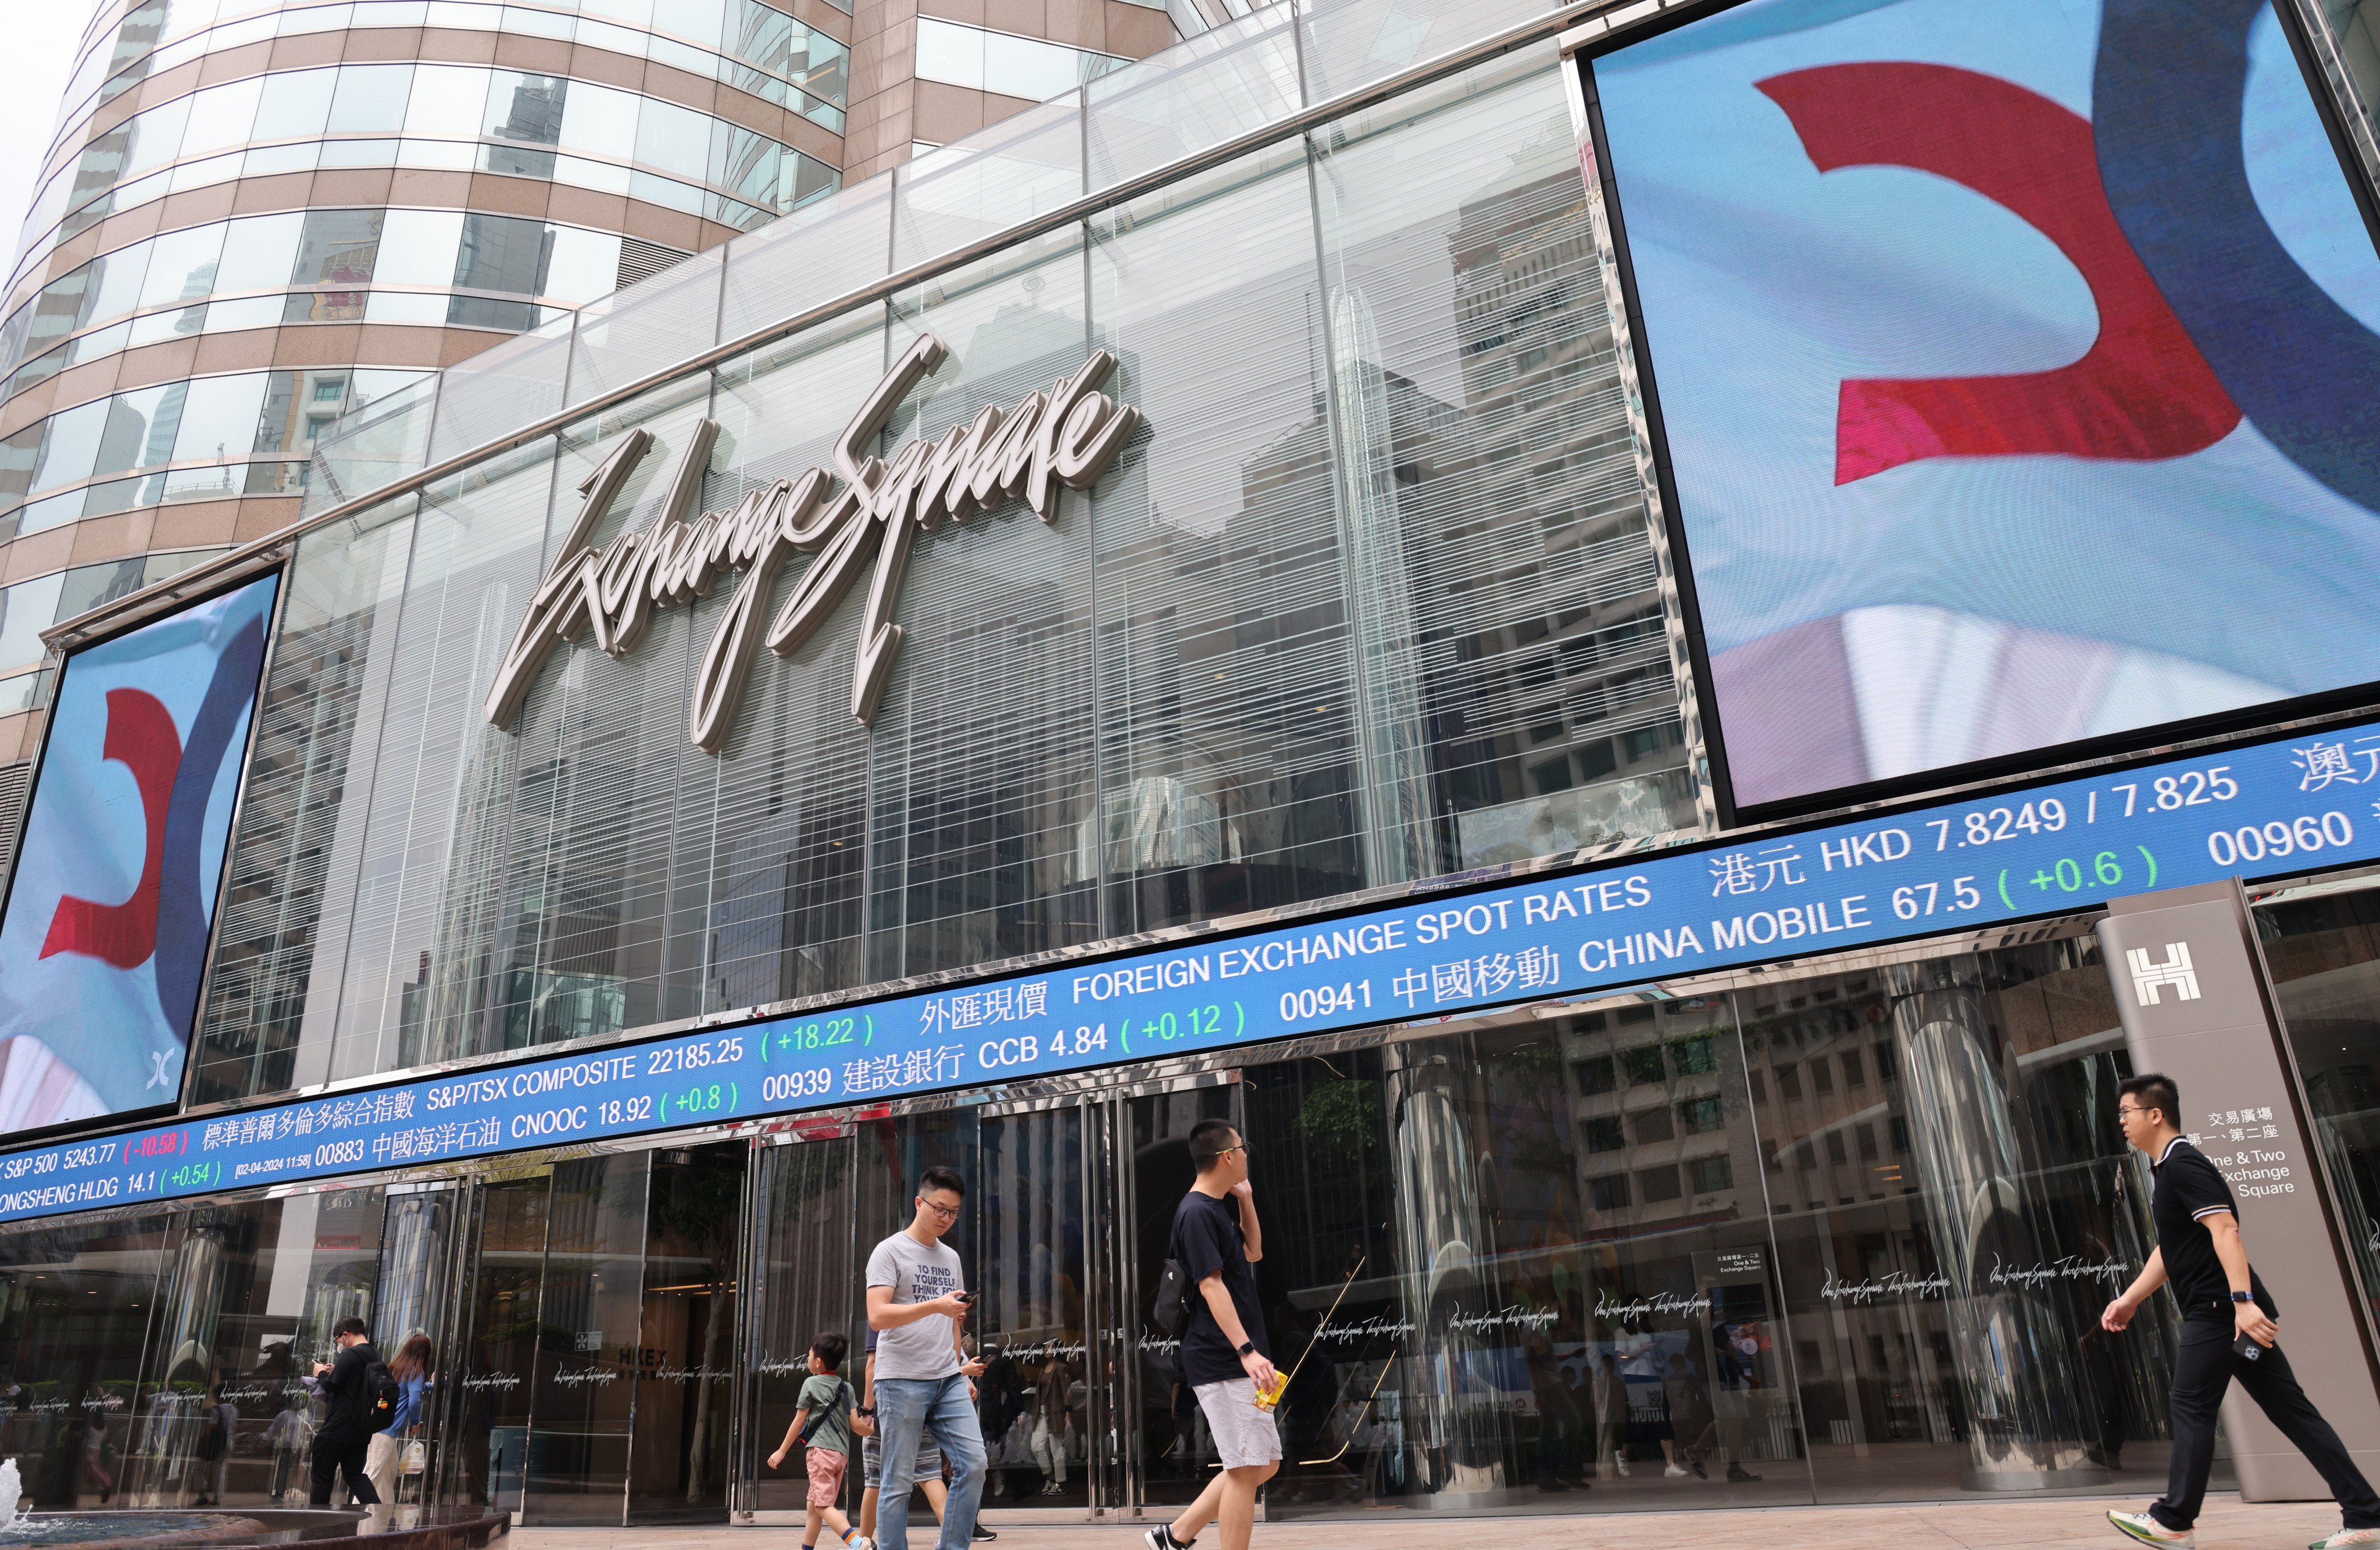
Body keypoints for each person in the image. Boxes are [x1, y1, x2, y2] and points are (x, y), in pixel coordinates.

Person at [2100, 1073, 2380, 1550]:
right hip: (2229, 1314)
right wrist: (2129, 1298)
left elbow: (2225, 1229)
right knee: (2293, 1412)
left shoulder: (2184, 1163)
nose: (2121, 1121)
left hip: (2220, 1313)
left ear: (2154, 1114)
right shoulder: (2167, 1171)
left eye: (2126, 1111)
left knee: (2191, 1406)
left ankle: (2173, 1520)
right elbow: (2173, 1249)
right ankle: (2367, 1516)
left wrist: (2242, 1303)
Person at [1142, 1120, 1277, 1550]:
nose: (1247, 1154)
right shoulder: (1197, 1211)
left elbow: (1254, 1251)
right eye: (1244, 1147)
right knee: (1244, 1467)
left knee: (1265, 1462)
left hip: (1235, 1355)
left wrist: (1248, 1199)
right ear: (1227, 1157)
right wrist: (1247, 1350)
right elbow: (1210, 1285)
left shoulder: (1216, 1207)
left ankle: (1175, 1535)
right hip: (1223, 1356)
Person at [867, 1165, 988, 1550]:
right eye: (939, 1208)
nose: (946, 1218)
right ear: (919, 1201)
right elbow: (878, 1315)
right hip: (901, 1379)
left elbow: (953, 1320)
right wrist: (934, 1305)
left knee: (975, 1463)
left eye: (953, 1212)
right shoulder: (889, 1251)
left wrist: (960, 1368)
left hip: (946, 1377)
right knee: (897, 1481)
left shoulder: (951, 1257)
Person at [768, 1331, 870, 1550]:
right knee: (814, 1506)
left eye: (808, 1354)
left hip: (820, 1454)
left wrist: (782, 1451)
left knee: (823, 1506)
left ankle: (856, 1542)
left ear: (818, 1361)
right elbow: (856, 1425)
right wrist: (872, 1430)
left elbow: (798, 1421)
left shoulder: (811, 1384)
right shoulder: (847, 1388)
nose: (807, 1358)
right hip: (840, 1456)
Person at [305, 1317, 383, 1508]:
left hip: (337, 1428)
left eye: (338, 1340)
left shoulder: (349, 1354)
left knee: (322, 1477)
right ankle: (378, 1512)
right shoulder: (374, 1354)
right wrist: (335, 1370)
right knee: (355, 1475)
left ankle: (317, 1523)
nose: (339, 1344)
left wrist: (321, 1373)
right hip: (360, 1429)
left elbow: (327, 1388)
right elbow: (352, 1381)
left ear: (346, 1335)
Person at [364, 1332, 432, 1505]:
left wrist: (432, 1385)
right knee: (373, 1474)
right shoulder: (416, 1372)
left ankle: (383, 1516)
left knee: (388, 1475)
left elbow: (411, 1391)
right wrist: (415, 1423)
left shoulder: (396, 1367)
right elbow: (414, 1401)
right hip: (386, 1432)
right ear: (424, 1353)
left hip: (380, 1428)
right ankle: (355, 1518)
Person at [192, 1383, 235, 1506]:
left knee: (198, 1468)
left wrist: (203, 1439)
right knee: (221, 1470)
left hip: (215, 1441)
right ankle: (216, 1499)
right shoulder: (234, 1409)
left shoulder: (218, 1409)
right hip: (228, 1441)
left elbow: (212, 1426)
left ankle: (202, 1495)